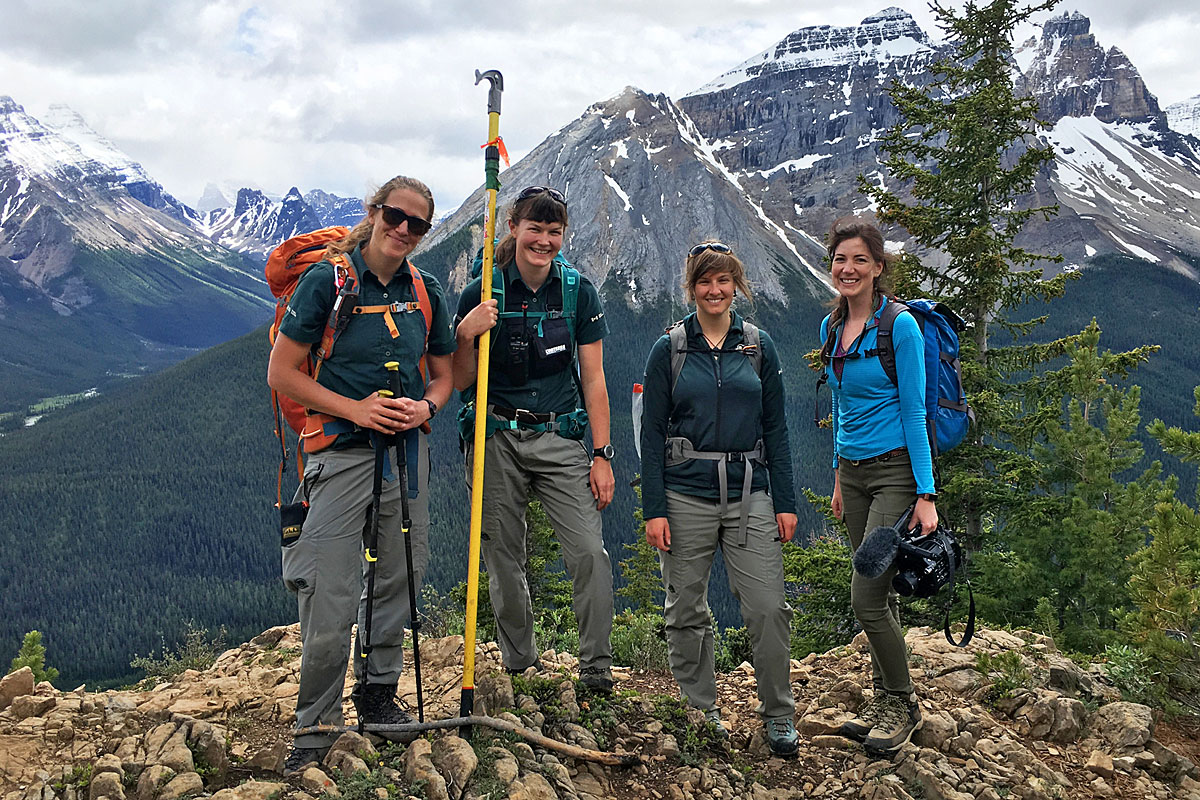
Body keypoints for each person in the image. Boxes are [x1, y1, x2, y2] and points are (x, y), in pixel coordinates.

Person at [267, 176, 456, 774]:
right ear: (375, 212)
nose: (403, 230)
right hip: (341, 451)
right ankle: (317, 727)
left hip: (405, 453)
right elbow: (282, 372)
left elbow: (445, 375)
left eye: (417, 225)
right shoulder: (330, 281)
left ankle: (377, 695)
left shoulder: (425, 291)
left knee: (401, 575)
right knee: (331, 593)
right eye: (395, 217)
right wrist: (357, 409)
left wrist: (427, 407)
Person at [639, 241, 800, 757]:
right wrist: (654, 509)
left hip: (751, 490)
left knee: (768, 606)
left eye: (723, 281)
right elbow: (651, 433)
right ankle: (700, 708)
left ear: (737, 287)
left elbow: (776, 427)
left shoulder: (758, 347)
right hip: (685, 493)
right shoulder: (669, 348)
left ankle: (778, 714)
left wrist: (785, 500)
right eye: (705, 282)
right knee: (686, 606)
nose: (714, 290)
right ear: (692, 288)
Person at [453, 185, 616, 691]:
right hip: (496, 432)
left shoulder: (577, 292)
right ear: (513, 230)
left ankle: (596, 668)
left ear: (563, 235)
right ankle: (520, 663)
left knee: (589, 551)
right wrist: (465, 331)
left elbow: (593, 379)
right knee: (503, 557)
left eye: (554, 231)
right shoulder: (484, 288)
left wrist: (602, 454)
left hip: (560, 434)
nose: (544, 240)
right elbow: (460, 382)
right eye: (535, 229)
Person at [819, 216, 935, 754]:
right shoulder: (832, 327)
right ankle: (886, 695)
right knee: (879, 596)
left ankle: (903, 704)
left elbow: (915, 410)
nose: (848, 268)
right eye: (841, 259)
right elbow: (841, 404)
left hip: (894, 474)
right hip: (856, 476)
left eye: (859, 260)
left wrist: (926, 493)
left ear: (878, 267)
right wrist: (840, 475)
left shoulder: (901, 326)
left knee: (866, 598)